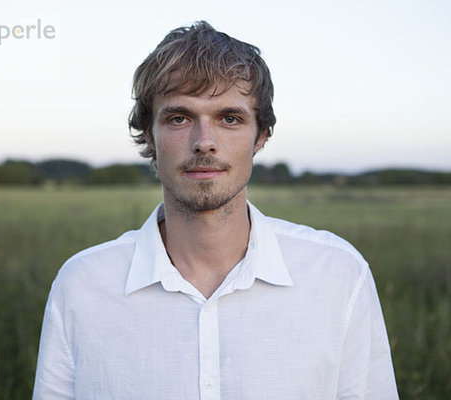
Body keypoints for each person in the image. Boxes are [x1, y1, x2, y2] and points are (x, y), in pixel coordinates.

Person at [33, 21, 398, 399]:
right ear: (148, 135)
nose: (204, 142)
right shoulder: (81, 285)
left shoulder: (338, 275)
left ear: (260, 136)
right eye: (179, 118)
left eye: (229, 119)